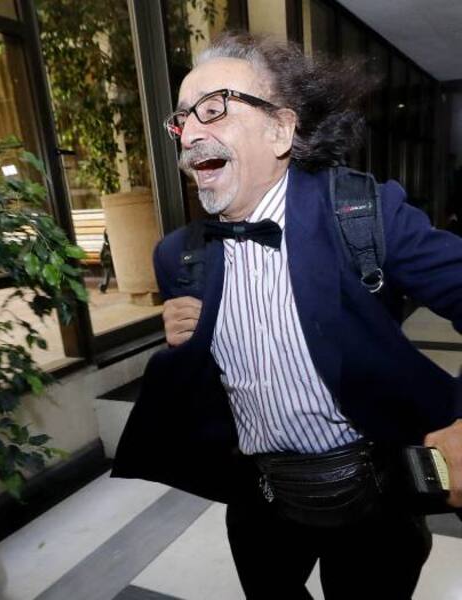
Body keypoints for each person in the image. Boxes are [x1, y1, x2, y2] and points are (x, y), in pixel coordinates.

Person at [110, 32, 462, 600]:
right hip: (259, 502)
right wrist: (185, 346)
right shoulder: (177, 255)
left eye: (214, 109)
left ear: (280, 130)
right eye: (182, 119)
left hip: (374, 501)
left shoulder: (362, 213)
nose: (191, 133)